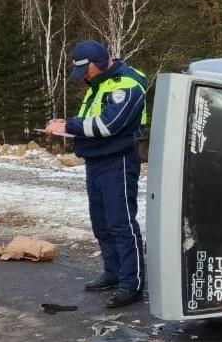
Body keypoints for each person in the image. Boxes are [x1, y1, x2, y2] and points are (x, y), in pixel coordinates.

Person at [45, 40, 148, 308]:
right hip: (96, 161)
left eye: (85, 71)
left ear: (98, 63)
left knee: (121, 223)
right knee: (101, 223)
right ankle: (113, 273)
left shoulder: (126, 86)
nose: (83, 78)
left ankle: (131, 283)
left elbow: (108, 125)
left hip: (118, 162)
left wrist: (68, 125)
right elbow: (92, 121)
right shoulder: (100, 83)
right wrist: (68, 129)